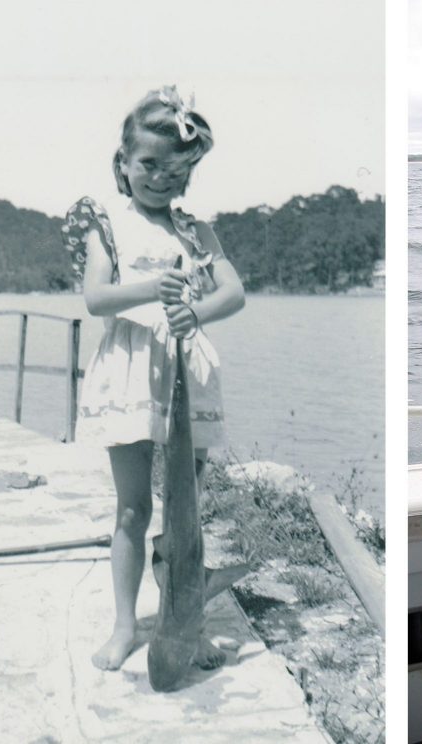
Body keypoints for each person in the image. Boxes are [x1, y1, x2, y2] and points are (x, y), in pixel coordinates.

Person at [61, 86, 246, 672]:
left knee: (183, 512)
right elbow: (96, 298)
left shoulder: (197, 232)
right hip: (129, 374)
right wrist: (153, 289)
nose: (161, 178)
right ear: (123, 162)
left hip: (185, 366)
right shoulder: (105, 223)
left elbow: (234, 293)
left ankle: (184, 619)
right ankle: (124, 625)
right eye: (149, 165)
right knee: (132, 511)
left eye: (176, 169)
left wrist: (196, 310)